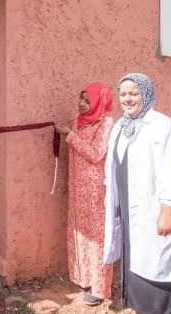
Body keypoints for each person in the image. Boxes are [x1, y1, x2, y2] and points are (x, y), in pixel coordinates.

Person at [103, 73, 171, 314]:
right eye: (123, 94)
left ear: (146, 94)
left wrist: (167, 211)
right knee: (136, 258)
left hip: (153, 208)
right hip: (129, 207)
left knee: (157, 261)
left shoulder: (163, 127)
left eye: (134, 93)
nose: (128, 99)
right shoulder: (121, 125)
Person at [55, 82, 115, 306]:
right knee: (79, 232)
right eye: (81, 98)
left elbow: (96, 153)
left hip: (94, 188)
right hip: (77, 187)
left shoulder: (106, 122)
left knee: (97, 237)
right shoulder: (78, 120)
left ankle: (100, 288)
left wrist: (69, 135)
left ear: (99, 102)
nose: (82, 103)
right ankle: (84, 277)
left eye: (88, 100)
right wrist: (69, 132)